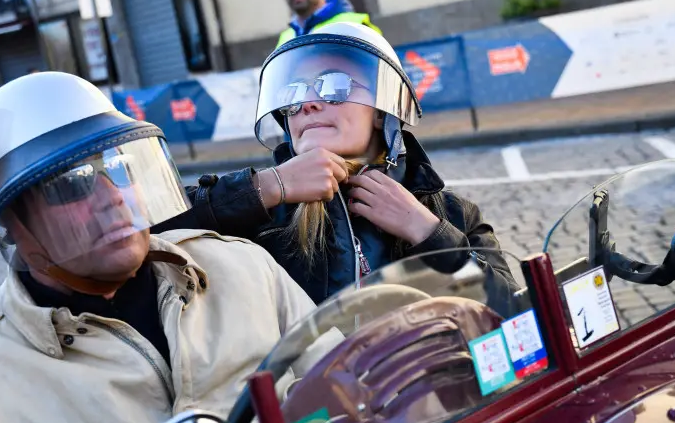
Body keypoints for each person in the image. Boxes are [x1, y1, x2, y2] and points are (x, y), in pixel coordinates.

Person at [0, 72, 320, 423]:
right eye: (72, 183)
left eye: (120, 168)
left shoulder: (244, 269)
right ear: (10, 224)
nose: (114, 198)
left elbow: (347, 401)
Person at [159, 22, 518, 304]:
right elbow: (148, 227)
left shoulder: (451, 213)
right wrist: (267, 187)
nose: (309, 103)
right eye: (295, 91)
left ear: (382, 112)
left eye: (335, 85)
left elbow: (518, 314)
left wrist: (427, 232)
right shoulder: (261, 215)